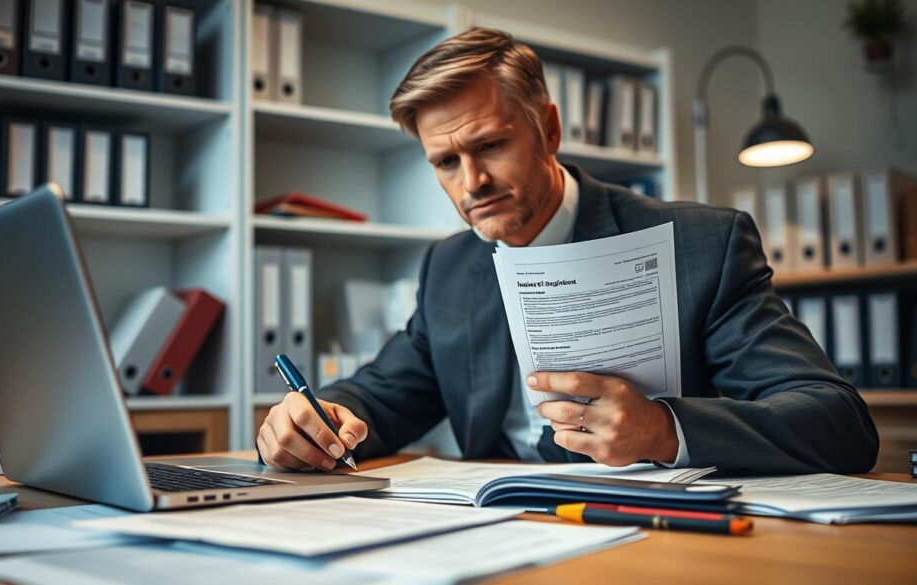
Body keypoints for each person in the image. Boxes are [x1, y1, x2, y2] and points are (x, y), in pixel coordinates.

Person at [255, 27, 879, 474]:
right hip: (495, 533)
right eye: (446, 161)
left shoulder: (703, 245)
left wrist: (665, 430)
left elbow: (837, 422)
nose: (471, 183)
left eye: (491, 146)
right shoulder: (450, 266)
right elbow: (384, 394)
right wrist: (319, 418)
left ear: (549, 129)